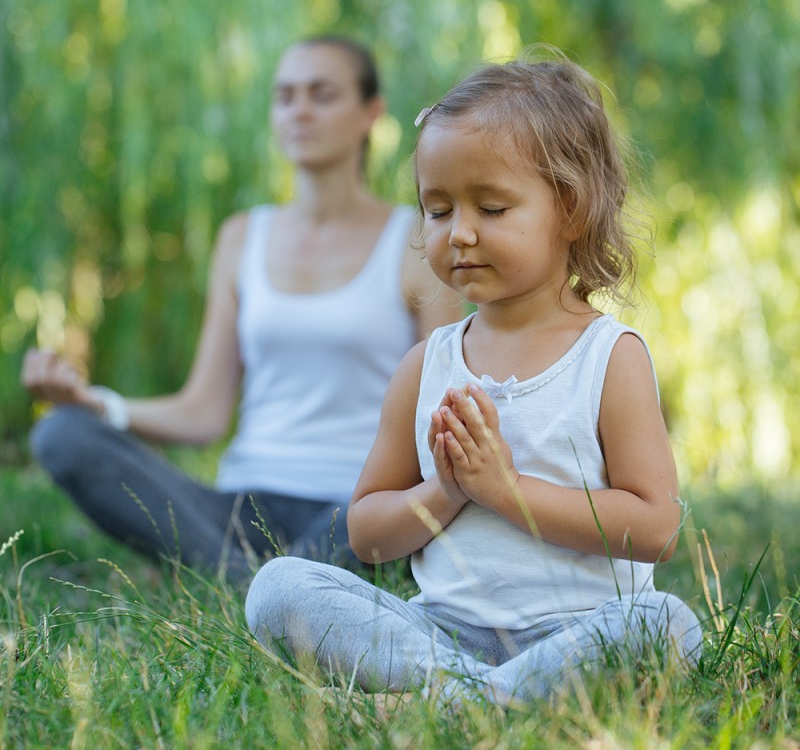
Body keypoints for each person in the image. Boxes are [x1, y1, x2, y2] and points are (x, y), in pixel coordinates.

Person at [245, 47, 702, 705]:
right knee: (278, 588)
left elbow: (655, 529)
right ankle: (487, 698)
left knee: (665, 625)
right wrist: (448, 491)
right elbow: (367, 533)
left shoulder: (609, 357)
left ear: (571, 210)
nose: (459, 233)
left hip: (576, 633)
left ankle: (447, 701)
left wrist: (507, 491)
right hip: (440, 635)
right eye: (438, 211)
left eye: (491, 209)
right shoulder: (425, 365)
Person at [22, 36, 462, 581]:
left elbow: (439, 405)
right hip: (236, 509)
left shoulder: (417, 239)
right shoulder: (241, 237)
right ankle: (264, 583)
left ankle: (246, 583)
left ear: (371, 113)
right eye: (285, 96)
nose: (299, 110)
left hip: (352, 508)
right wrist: (96, 404)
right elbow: (204, 411)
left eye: (322, 94)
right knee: (62, 434)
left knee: (370, 522)